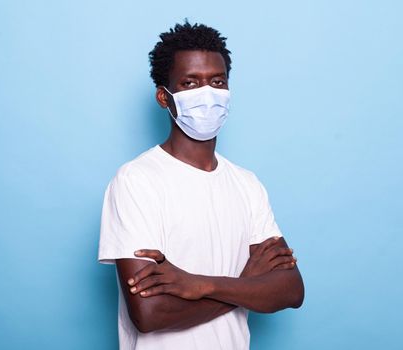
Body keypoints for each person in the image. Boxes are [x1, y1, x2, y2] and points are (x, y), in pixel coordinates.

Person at [98, 21, 304, 350]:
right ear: (165, 97)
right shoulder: (137, 181)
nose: (206, 94)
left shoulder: (247, 185)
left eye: (217, 81)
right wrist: (245, 286)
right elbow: (149, 314)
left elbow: (291, 290)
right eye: (190, 83)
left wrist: (198, 285)